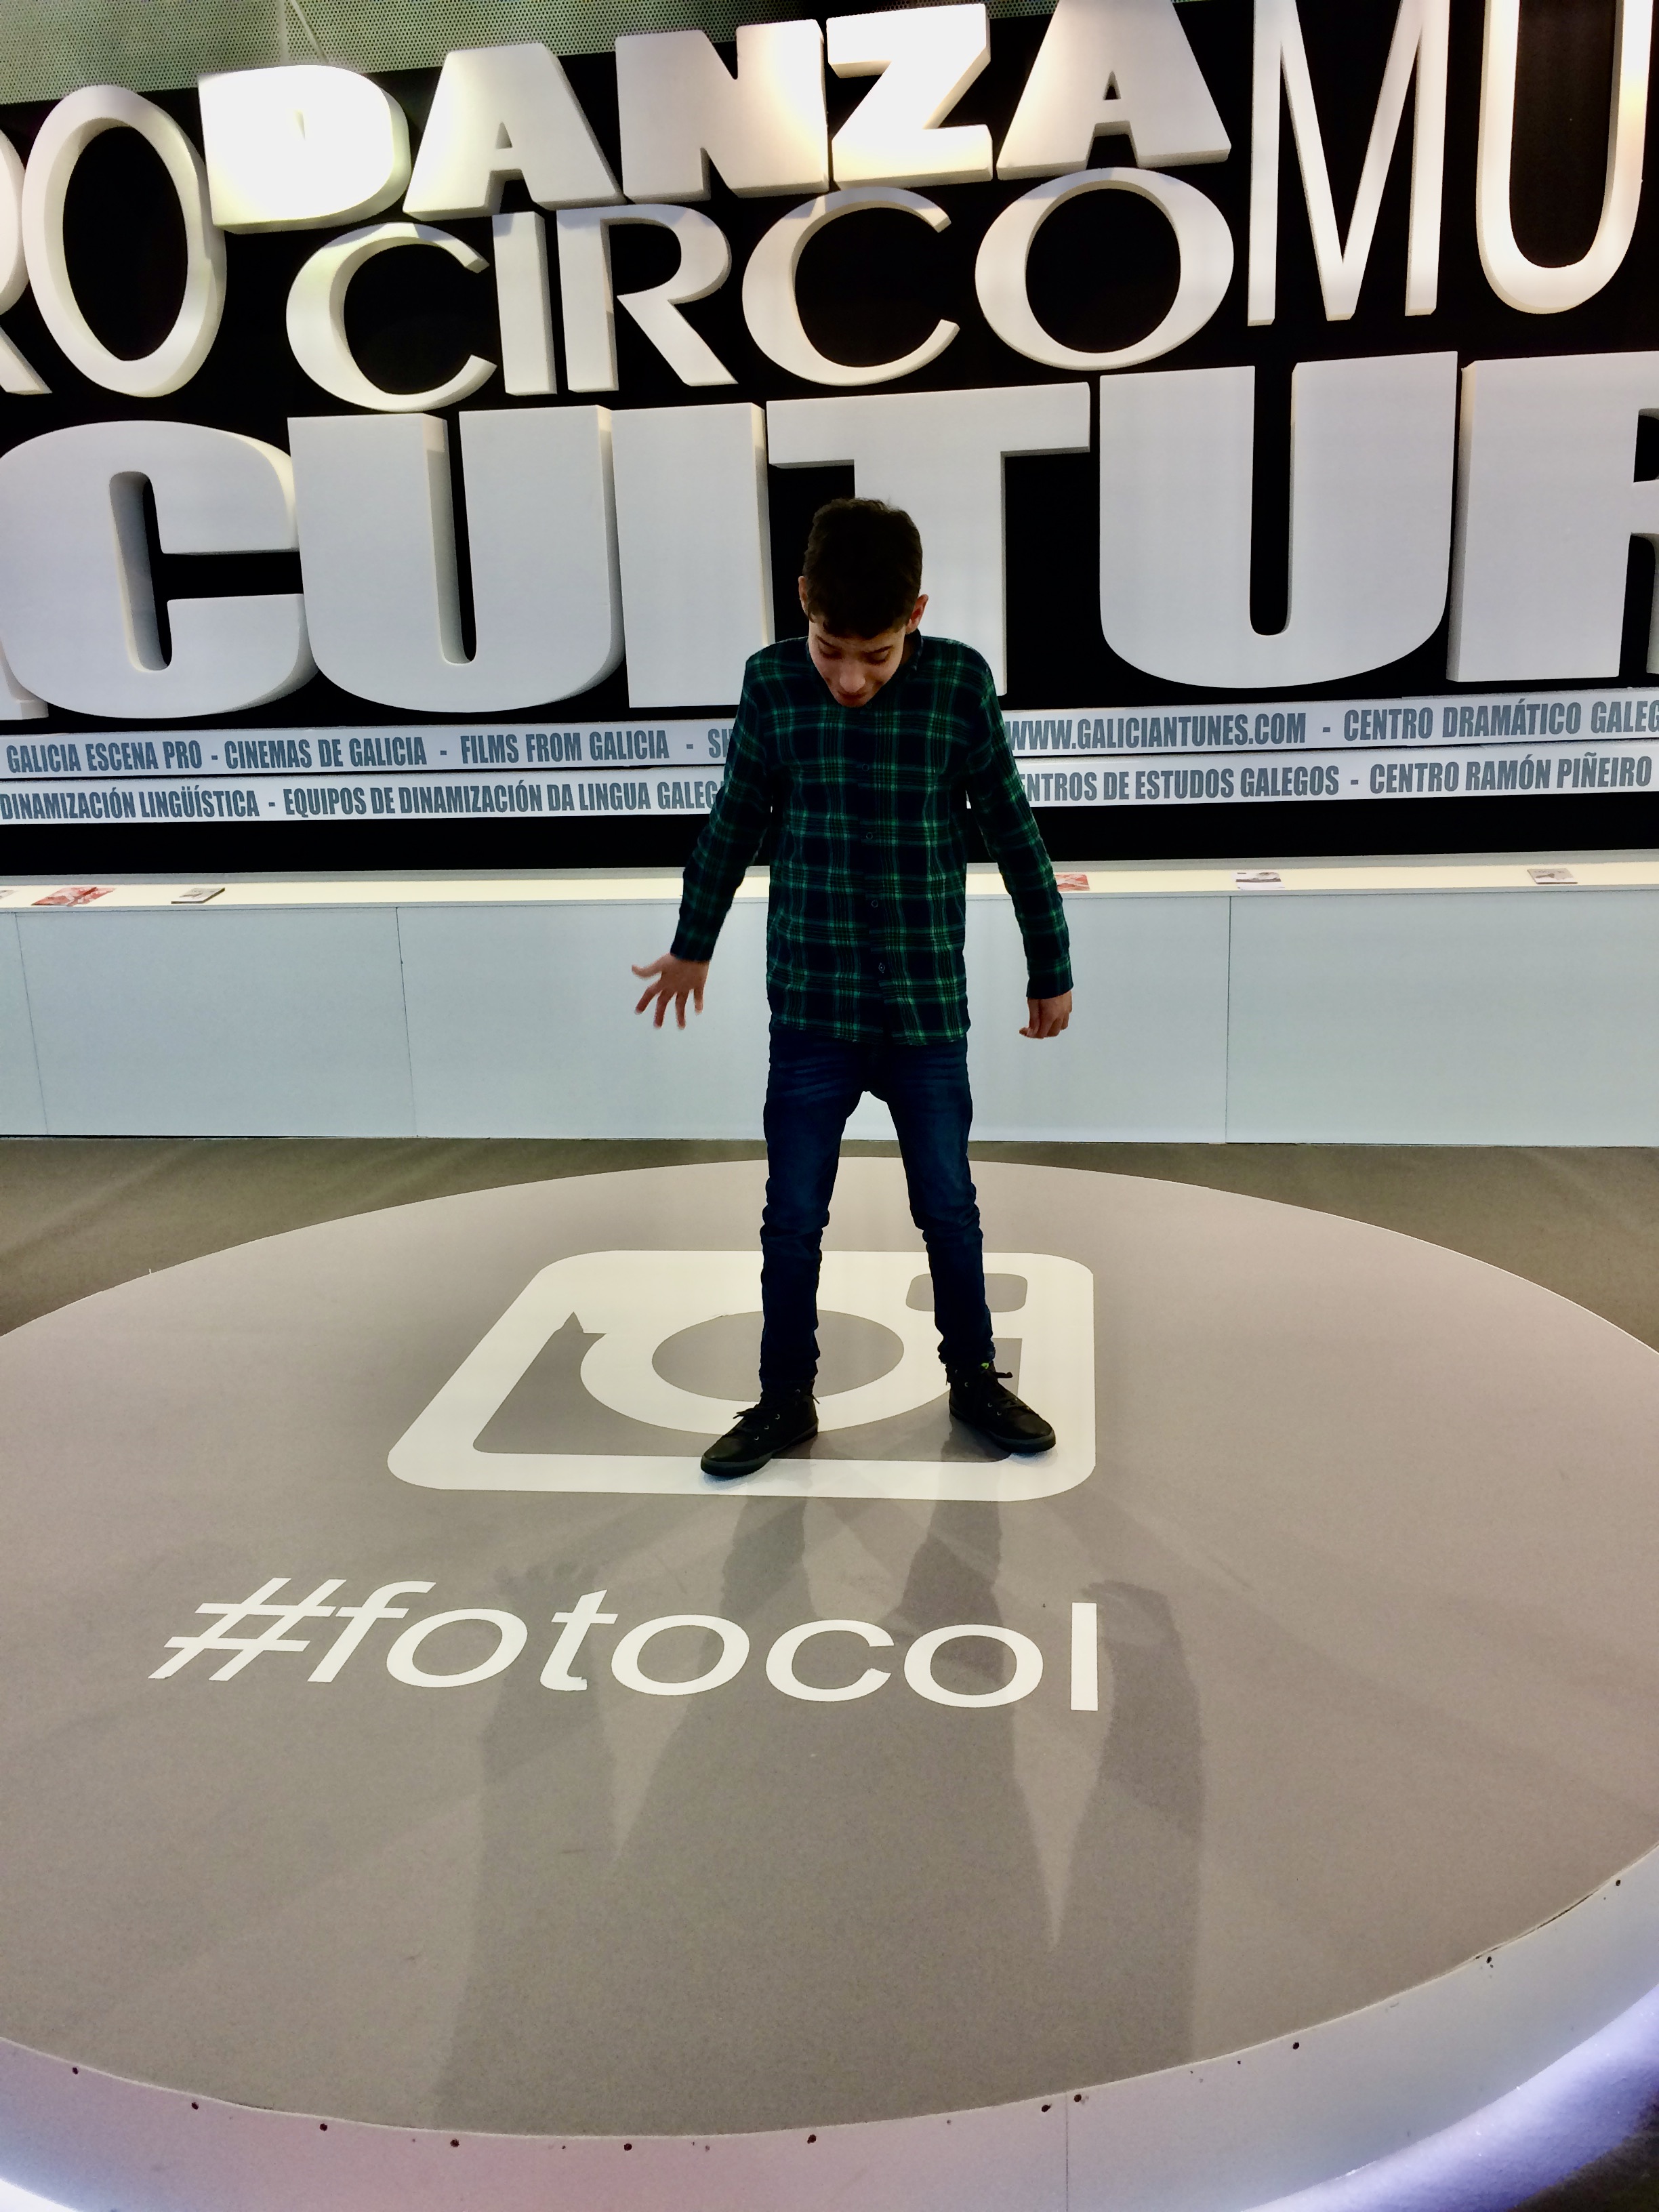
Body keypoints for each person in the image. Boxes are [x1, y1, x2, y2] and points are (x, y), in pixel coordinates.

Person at [632, 497, 1073, 1480]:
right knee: (792, 1216)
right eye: (832, 648)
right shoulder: (772, 685)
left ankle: (975, 1380)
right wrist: (691, 944)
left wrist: (1053, 963)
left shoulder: (960, 685)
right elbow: (735, 817)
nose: (851, 677)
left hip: (923, 1014)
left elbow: (1013, 829)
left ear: (916, 613)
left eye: (875, 653)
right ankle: (784, 1397)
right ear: (802, 605)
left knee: (948, 1208)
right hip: (814, 1012)